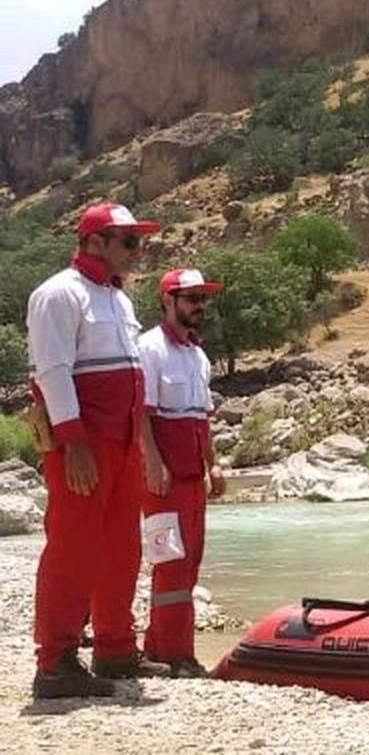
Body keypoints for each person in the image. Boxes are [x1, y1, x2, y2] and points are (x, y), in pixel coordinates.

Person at [26, 202, 171, 699]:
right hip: (85, 444)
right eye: (128, 241)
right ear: (94, 243)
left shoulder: (119, 299)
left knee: (120, 548)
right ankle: (55, 663)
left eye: (140, 241)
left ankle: (115, 650)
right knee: (72, 548)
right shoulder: (58, 294)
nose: (138, 250)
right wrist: (74, 444)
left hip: (124, 442)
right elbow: (53, 372)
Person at [138, 268, 227, 678]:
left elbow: (201, 419)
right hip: (163, 480)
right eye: (191, 298)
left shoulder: (197, 356)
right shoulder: (150, 348)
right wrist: (152, 463)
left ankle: (158, 647)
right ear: (168, 301)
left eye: (202, 299)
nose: (199, 306)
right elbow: (142, 414)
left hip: (192, 478)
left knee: (189, 564)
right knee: (169, 563)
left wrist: (215, 464)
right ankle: (176, 655)